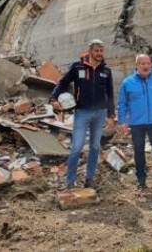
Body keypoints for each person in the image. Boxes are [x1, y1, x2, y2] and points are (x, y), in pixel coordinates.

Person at [50, 39, 115, 190]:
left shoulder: (106, 70)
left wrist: (111, 115)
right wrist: (53, 98)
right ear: (90, 51)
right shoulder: (77, 66)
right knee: (76, 147)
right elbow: (63, 83)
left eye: (101, 51)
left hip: (100, 114)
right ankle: (70, 182)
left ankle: (89, 179)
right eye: (96, 51)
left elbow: (110, 93)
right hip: (82, 113)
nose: (99, 54)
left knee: (95, 146)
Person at [118, 54, 152, 191]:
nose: (145, 66)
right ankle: (141, 180)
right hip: (137, 123)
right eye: (142, 63)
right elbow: (122, 104)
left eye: (148, 63)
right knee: (139, 151)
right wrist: (123, 121)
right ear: (136, 66)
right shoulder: (127, 83)